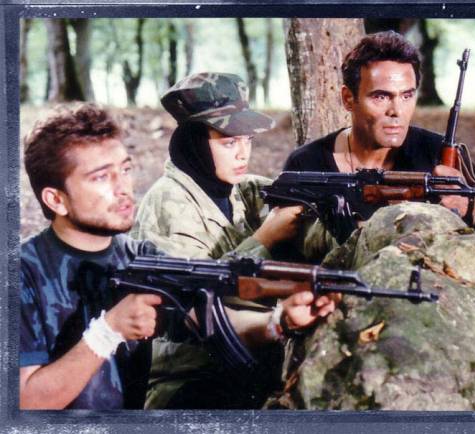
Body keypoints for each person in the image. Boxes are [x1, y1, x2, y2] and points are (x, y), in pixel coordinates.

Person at [19, 103, 334, 410]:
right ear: (56, 200)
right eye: (101, 177)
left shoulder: (139, 255)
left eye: (125, 169)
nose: (123, 188)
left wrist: (279, 322)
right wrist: (106, 333)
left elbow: (205, 317)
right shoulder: (22, 273)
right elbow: (23, 402)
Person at [131, 73, 337, 409]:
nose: (243, 154)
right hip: (185, 379)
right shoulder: (168, 203)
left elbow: (307, 225)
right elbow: (196, 302)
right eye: (229, 143)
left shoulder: (245, 190)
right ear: (195, 143)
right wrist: (263, 238)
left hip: (254, 358)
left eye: (248, 140)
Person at [283, 30, 475, 256]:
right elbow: (286, 254)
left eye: (407, 95)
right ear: (348, 99)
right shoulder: (307, 163)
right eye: (381, 96)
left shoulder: (437, 152)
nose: (397, 111)